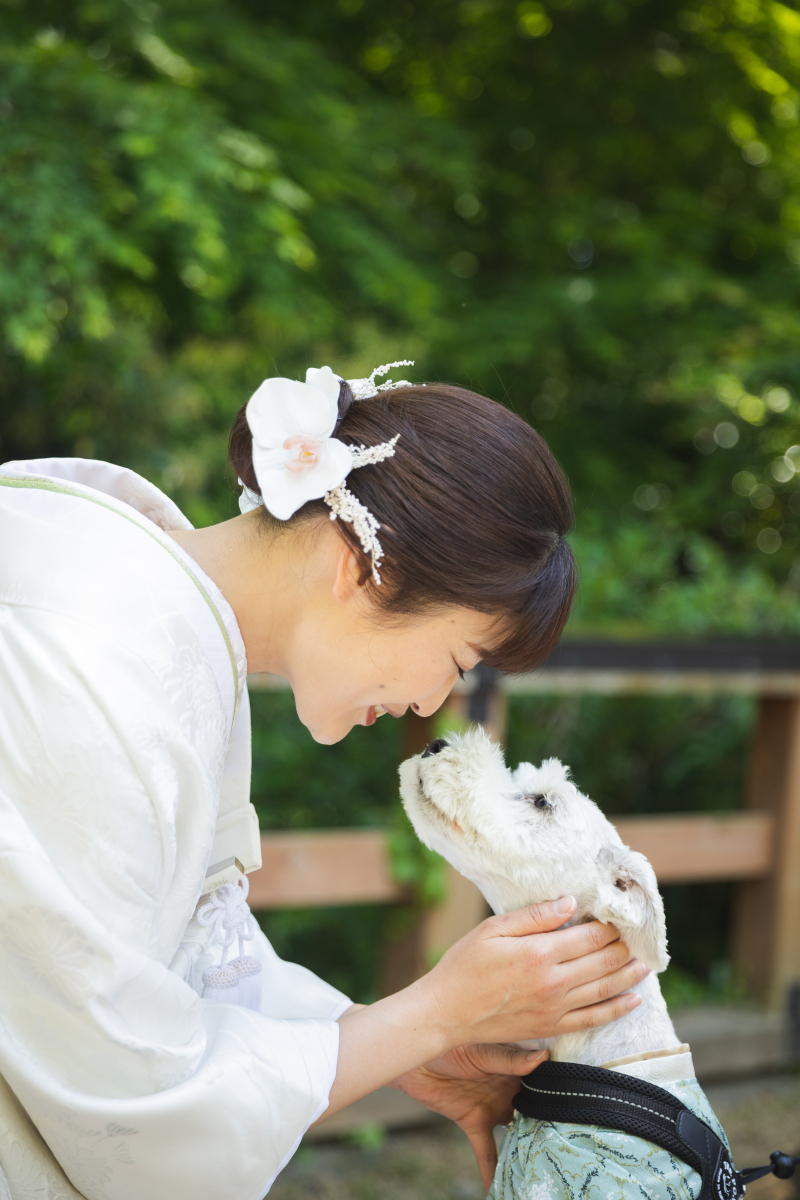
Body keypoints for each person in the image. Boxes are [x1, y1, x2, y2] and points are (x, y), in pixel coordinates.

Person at [0, 364, 648, 1200]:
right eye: (456, 661)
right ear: (362, 566)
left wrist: (383, 1041)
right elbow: (131, 1106)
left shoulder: (150, 620)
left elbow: (182, 958)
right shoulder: (81, 654)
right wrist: (436, 1012)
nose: (429, 702)